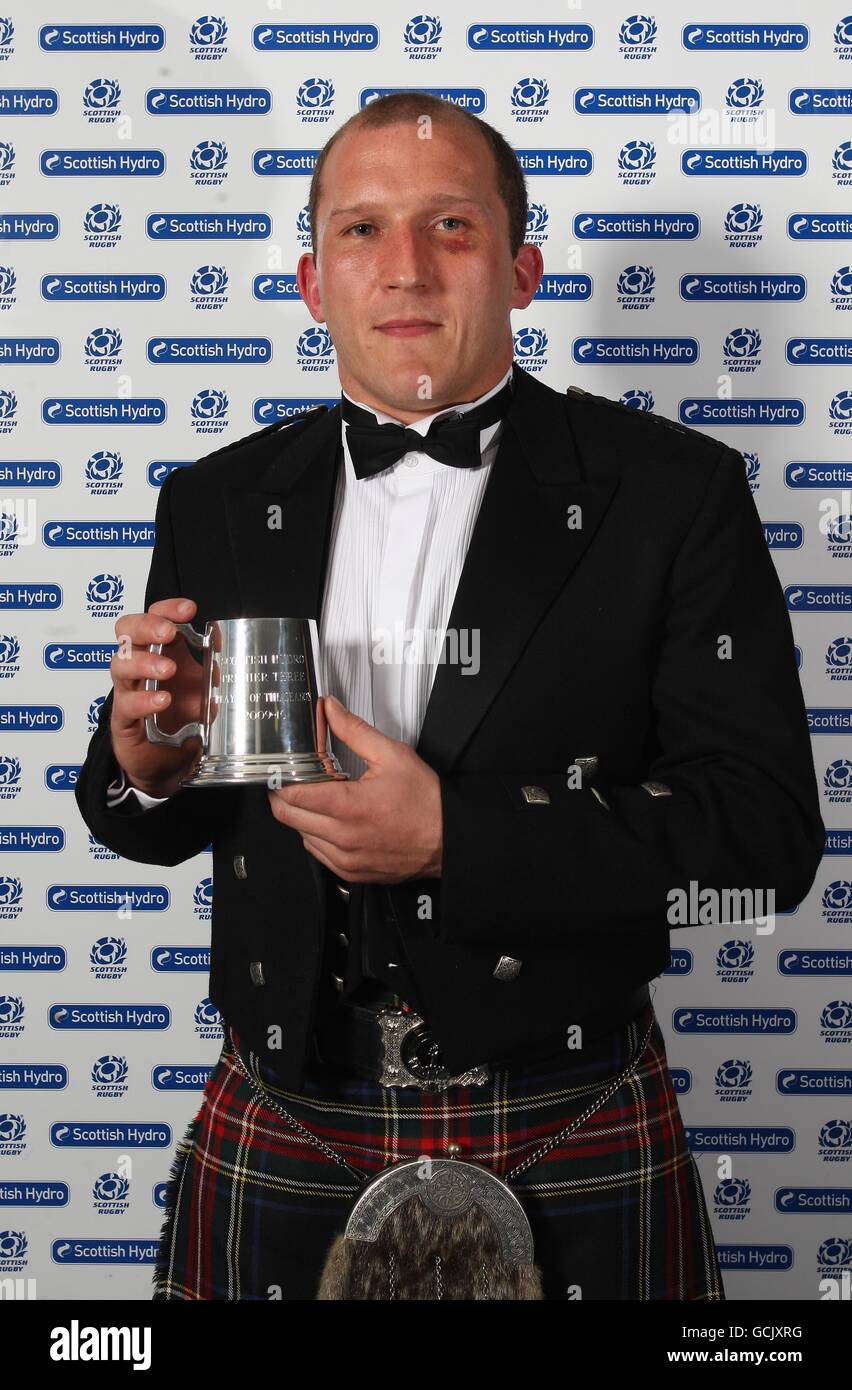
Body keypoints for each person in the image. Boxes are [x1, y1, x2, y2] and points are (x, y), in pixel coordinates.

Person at [74, 92, 825, 1301]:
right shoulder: (214, 500)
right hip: (288, 1112)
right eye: (361, 230)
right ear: (313, 283)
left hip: (567, 1106)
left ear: (522, 269)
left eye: (453, 227)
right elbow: (140, 811)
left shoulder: (670, 494)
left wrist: (454, 841)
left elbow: (765, 834)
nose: (406, 266)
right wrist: (146, 763)